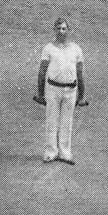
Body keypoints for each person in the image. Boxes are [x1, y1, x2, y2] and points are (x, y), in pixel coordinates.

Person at [37, 18, 85, 165]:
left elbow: (80, 73)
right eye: (58, 28)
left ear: (68, 30)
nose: (61, 31)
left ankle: (65, 152)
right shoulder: (48, 49)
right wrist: (40, 94)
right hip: (53, 89)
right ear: (54, 30)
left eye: (64, 29)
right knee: (52, 120)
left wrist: (81, 96)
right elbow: (42, 71)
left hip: (71, 90)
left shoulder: (76, 49)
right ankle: (51, 152)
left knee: (67, 122)